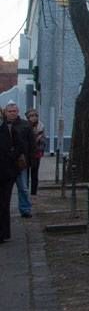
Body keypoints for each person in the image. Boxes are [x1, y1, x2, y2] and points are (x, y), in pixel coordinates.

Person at [1, 102, 29, 242]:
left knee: (4, 202)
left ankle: (3, 233)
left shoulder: (10, 129)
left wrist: (10, 157)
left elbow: (21, 147)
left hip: (7, 172)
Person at [26, 109, 45, 196]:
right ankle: (25, 191)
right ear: (28, 117)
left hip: (36, 153)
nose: (34, 117)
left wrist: (40, 149)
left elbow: (43, 141)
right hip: (26, 154)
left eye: (35, 115)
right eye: (32, 116)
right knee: (25, 174)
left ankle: (34, 192)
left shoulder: (41, 126)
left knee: (34, 173)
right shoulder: (25, 126)